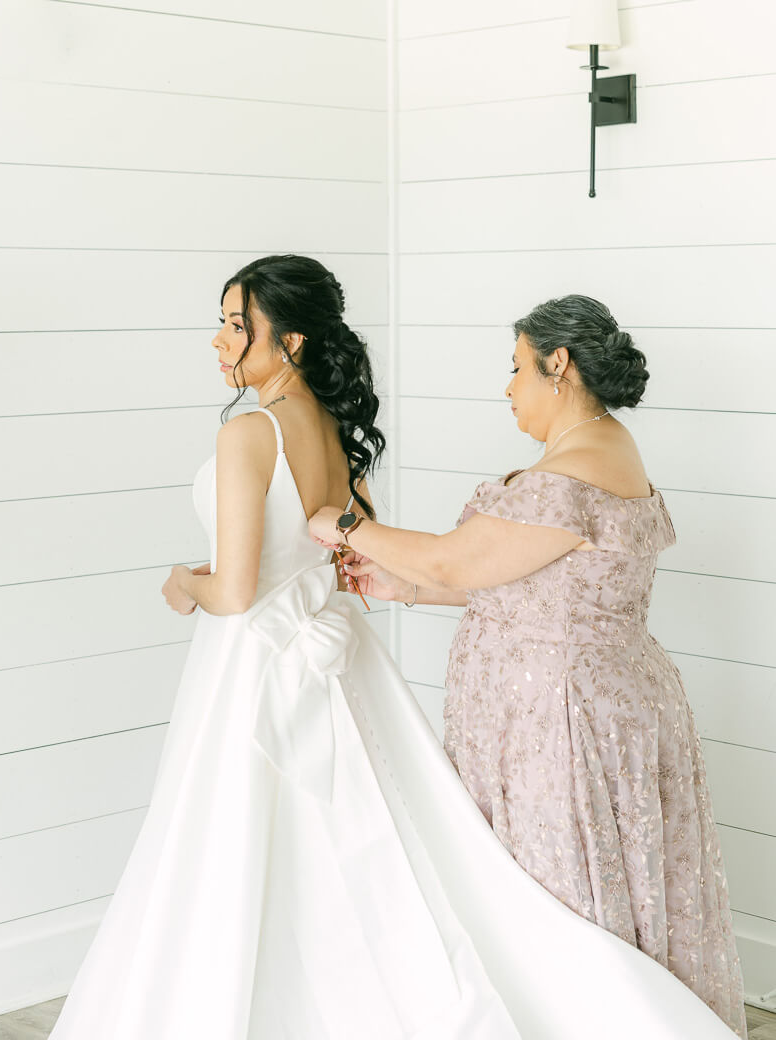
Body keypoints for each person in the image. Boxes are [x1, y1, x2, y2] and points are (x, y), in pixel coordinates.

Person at [50, 267, 739, 1039]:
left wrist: (186, 583)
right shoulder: (338, 432)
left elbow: (250, 588)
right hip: (350, 654)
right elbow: (510, 581)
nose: (220, 339)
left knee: (243, 847)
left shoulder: (250, 431)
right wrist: (390, 579)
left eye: (236, 323)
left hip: (289, 666)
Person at [309, 294, 746, 1039]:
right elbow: (526, 588)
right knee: (579, 890)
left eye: (515, 368)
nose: (507, 387)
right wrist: (401, 585)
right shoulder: (599, 451)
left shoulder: (571, 475)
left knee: (557, 897)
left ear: (559, 365)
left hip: (562, 726)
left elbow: (456, 556)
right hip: (586, 706)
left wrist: (348, 524)